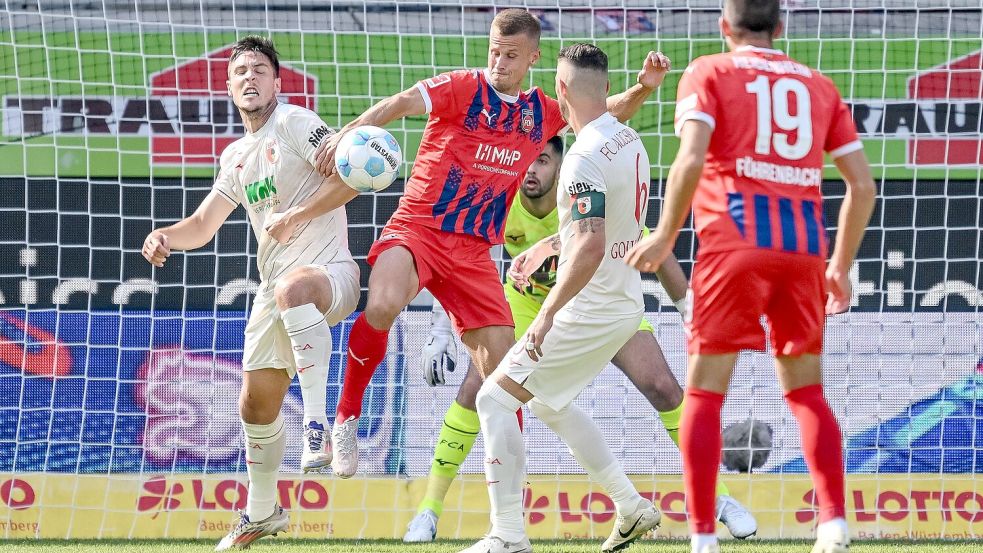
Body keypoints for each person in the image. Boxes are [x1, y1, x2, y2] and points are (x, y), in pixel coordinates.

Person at [309, 8, 671, 479]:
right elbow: (399, 102)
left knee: (503, 376)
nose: (499, 62)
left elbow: (604, 110)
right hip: (419, 228)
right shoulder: (462, 87)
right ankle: (346, 419)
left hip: (474, 252)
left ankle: (509, 507)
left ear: (532, 59)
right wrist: (345, 134)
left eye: (511, 55)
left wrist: (644, 87)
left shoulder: (539, 112)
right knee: (381, 304)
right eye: (495, 52)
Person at [404, 137, 757, 542]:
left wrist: (690, 313)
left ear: (560, 165)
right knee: (478, 388)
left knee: (662, 385)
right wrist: (440, 329)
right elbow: (457, 260)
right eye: (526, 162)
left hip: (597, 304)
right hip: (528, 308)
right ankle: (429, 510)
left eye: (542, 161)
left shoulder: (582, 191)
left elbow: (652, 248)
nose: (531, 171)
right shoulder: (501, 202)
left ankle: (719, 497)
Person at [625, 1, 876, 552]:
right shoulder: (819, 86)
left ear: (724, 26)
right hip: (803, 249)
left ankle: (702, 536)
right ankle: (833, 524)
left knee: (705, 394)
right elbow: (862, 186)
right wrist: (839, 266)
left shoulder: (708, 70)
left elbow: (690, 159)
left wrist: (665, 236)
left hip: (733, 243)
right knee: (807, 392)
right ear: (780, 27)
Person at [141, 36, 362, 550]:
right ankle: (261, 512)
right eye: (240, 71)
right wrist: (164, 237)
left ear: (277, 82)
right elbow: (202, 224)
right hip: (274, 293)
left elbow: (351, 179)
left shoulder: (296, 123)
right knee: (254, 406)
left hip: (330, 273)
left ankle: (316, 426)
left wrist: (297, 216)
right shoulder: (236, 155)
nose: (250, 78)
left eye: (260, 70)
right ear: (228, 87)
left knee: (293, 287)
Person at [461, 42, 666, 553]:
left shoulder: (578, 160)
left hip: (591, 307)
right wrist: (559, 244)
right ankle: (630, 505)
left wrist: (546, 315)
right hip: (622, 302)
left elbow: (591, 246)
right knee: (551, 402)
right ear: (605, 87)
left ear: (562, 89)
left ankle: (508, 535)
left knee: (494, 399)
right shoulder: (628, 139)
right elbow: (608, 229)